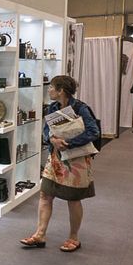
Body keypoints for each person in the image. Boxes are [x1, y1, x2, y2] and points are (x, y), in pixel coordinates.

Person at [21, 75, 100, 253]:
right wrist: (52, 139)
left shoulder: (80, 108)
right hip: (56, 158)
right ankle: (40, 234)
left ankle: (74, 238)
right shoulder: (52, 107)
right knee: (45, 195)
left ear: (60, 91)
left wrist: (69, 143)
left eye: (51, 87)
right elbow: (47, 129)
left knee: (73, 199)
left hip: (76, 160)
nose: (48, 90)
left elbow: (93, 131)